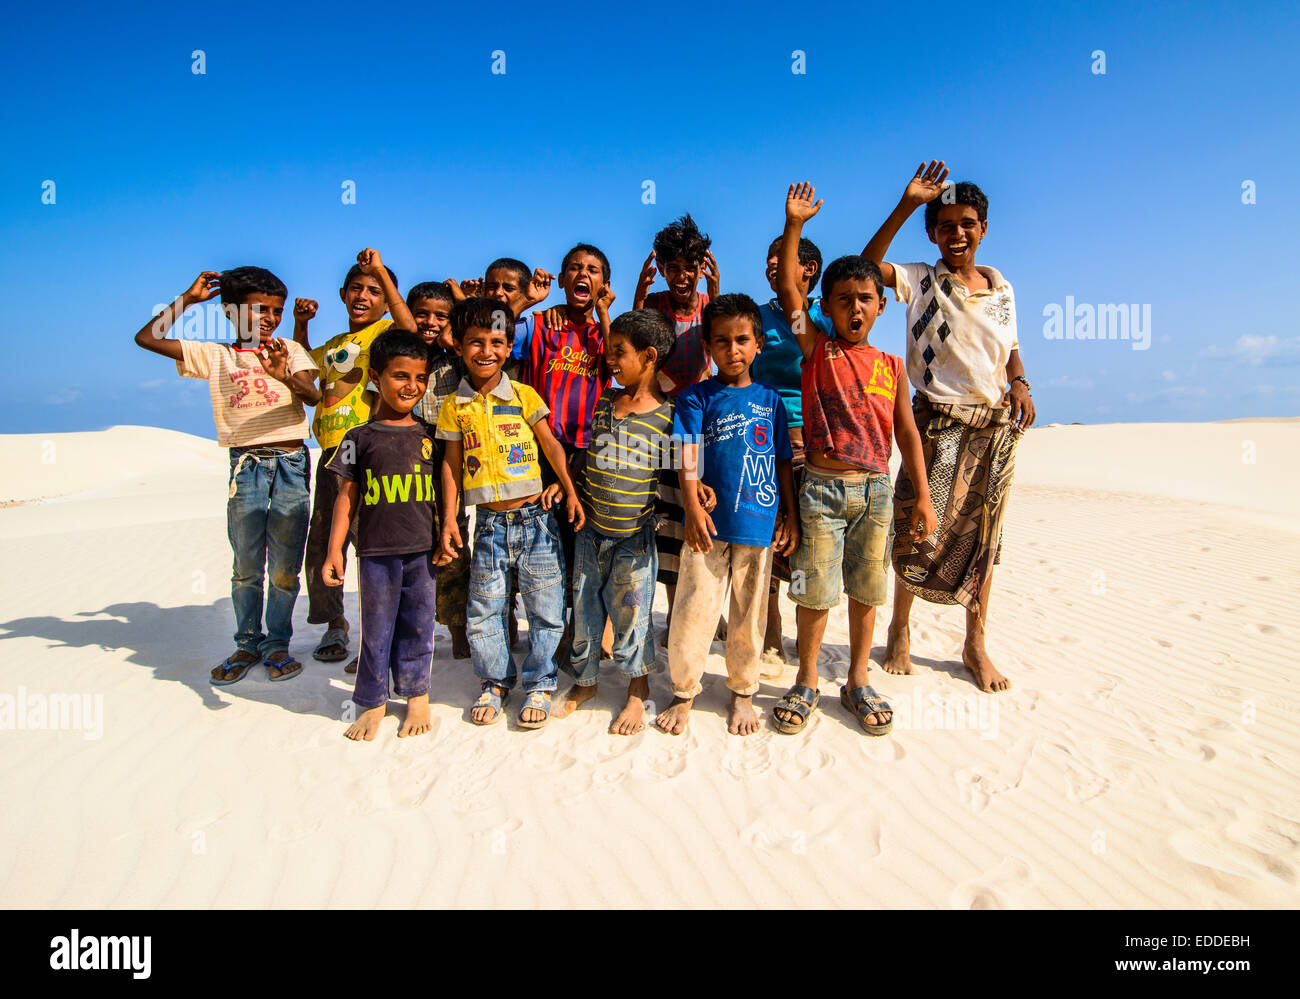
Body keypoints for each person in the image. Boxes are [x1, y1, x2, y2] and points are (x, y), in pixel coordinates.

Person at [770, 182, 937, 737]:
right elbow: (794, 297)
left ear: (882, 304)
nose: (855, 307)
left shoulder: (891, 366)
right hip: (821, 487)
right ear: (828, 307)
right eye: (843, 299)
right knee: (815, 592)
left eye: (865, 298)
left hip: (876, 492)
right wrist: (794, 226)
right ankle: (808, 680)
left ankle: (859, 679)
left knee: (867, 590)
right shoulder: (815, 348)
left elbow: (908, 436)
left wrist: (925, 498)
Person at [863, 161, 1035, 693]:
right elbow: (864, 269)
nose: (957, 234)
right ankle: (900, 628)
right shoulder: (922, 279)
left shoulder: (1002, 288)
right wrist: (908, 203)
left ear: (982, 227)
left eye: (967, 224)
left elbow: (1008, 348)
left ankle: (974, 643)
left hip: (992, 428)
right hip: (935, 422)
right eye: (945, 226)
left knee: (985, 540)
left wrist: (1022, 381)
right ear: (932, 234)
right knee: (919, 527)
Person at [133, 267, 319, 683]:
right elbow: (146, 339)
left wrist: (282, 374)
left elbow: (312, 395)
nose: (269, 318)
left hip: (291, 463)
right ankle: (247, 642)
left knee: (286, 565)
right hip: (246, 466)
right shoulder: (217, 355)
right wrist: (187, 299)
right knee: (247, 564)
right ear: (232, 312)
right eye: (259, 310)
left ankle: (277, 644)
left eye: (276, 310)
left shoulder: (288, 349)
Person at [435, 298, 585, 729]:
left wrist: (570, 492)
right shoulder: (454, 406)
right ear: (459, 347)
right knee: (485, 607)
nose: (487, 351)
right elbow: (449, 465)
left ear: (508, 346)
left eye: (497, 342)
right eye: (475, 343)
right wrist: (449, 518)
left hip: (536, 518)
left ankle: (539, 682)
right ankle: (495, 680)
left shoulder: (523, 394)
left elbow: (552, 446)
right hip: (489, 524)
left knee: (546, 606)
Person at [655, 294, 798, 738]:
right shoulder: (697, 397)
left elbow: (781, 462)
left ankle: (743, 691)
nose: (732, 350)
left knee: (749, 614)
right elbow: (687, 450)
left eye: (741, 340)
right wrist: (693, 504)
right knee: (694, 608)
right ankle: (684, 692)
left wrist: (790, 516)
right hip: (708, 526)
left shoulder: (770, 400)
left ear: (758, 344)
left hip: (758, 522)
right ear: (708, 347)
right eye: (721, 342)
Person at [553, 309, 677, 735]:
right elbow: (591, 452)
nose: (610, 359)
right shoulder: (607, 400)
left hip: (634, 539)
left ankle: (638, 691)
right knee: (586, 613)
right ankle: (585, 683)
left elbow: (682, 468)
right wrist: (568, 485)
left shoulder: (668, 415)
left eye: (619, 352)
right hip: (589, 531)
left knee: (632, 617)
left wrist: (705, 490)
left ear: (648, 357)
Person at [294, 249, 415, 670]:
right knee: (324, 542)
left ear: (386, 299)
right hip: (330, 455)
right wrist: (301, 326)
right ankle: (334, 622)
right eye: (357, 288)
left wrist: (380, 269)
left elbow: (409, 329)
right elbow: (303, 373)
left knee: (374, 547)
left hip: (371, 452)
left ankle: (379, 639)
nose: (364, 295)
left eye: (374, 290)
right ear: (343, 294)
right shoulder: (332, 346)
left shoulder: (382, 336)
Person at [322, 330, 439, 741]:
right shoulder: (358, 438)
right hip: (375, 552)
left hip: (423, 552)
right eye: (400, 376)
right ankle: (372, 701)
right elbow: (345, 498)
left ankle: (417, 696)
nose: (411, 386)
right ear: (375, 376)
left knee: (418, 626)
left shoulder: (431, 436)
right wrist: (334, 549)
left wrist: (445, 539)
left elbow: (445, 498)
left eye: (420, 377)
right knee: (376, 629)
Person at [632, 214, 723, 619]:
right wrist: (638, 299)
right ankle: (673, 612)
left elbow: (722, 356)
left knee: (707, 510)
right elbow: (632, 345)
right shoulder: (654, 306)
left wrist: (717, 295)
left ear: (702, 267)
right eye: (673, 267)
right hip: (663, 425)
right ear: (663, 269)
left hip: (703, 425)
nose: (682, 276)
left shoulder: (711, 306)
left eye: (690, 266)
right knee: (670, 521)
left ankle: (708, 609)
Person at [752, 232, 823, 668]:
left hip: (812, 442)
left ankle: (806, 634)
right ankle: (772, 627)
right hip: (761, 436)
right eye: (768, 259)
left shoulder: (822, 318)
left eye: (783, 258)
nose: (772, 266)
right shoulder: (756, 318)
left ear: (808, 268)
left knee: (810, 540)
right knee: (769, 535)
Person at [407, 281, 472, 659]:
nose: (430, 322)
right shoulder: (405, 354)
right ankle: (412, 628)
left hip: (450, 449)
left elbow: (479, 337)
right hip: (411, 447)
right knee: (411, 538)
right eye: (422, 314)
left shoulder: (457, 358)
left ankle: (458, 626)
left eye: (440, 316)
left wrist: (456, 325)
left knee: (452, 534)